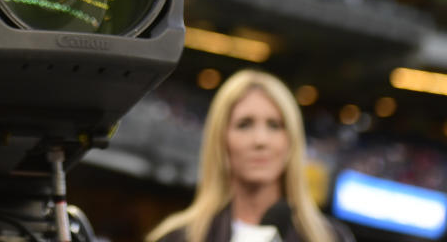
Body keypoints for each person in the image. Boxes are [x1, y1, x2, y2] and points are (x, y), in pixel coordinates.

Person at [146, 70, 353, 242]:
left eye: (275, 125)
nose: (260, 140)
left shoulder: (331, 238)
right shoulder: (179, 237)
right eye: (244, 124)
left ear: (291, 141)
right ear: (221, 140)